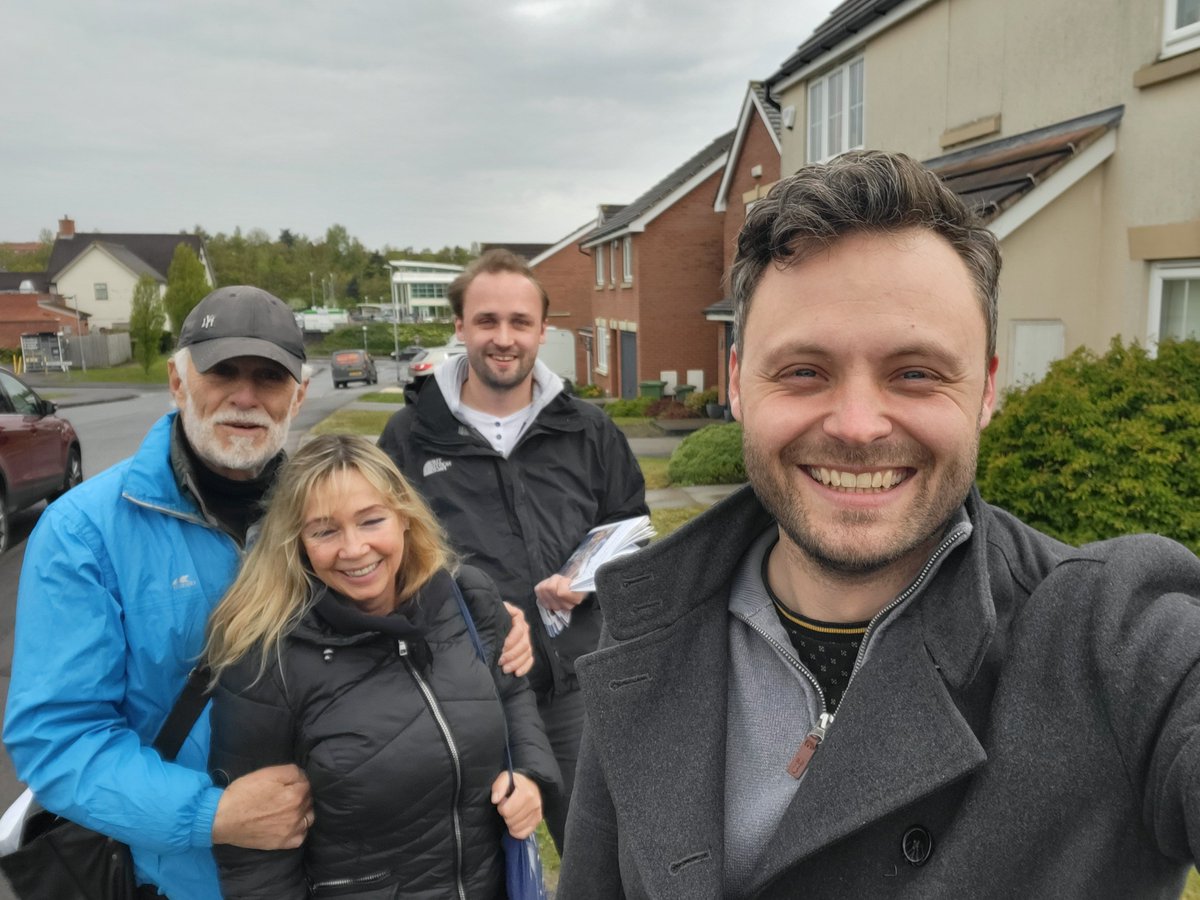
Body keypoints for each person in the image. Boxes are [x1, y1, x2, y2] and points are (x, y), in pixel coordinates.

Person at [557, 151, 1200, 899]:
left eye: (916, 373)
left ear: (987, 389)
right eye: (804, 371)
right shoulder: (645, 627)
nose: (858, 427)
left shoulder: (1113, 641)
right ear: (736, 382)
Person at [2, 284, 533, 899]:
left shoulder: (322, 509)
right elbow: (59, 737)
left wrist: (483, 621)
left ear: (299, 396)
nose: (245, 397)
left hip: (334, 870)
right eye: (222, 372)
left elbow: (409, 584)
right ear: (178, 383)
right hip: (176, 878)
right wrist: (210, 815)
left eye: (270, 379)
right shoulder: (85, 532)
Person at [205, 434, 560, 898]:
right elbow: (255, 857)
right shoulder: (266, 660)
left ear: (405, 519)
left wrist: (530, 775)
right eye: (325, 531)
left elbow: (511, 692)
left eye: (371, 521)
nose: (353, 549)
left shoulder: (466, 596)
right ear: (297, 544)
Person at [378, 248, 648, 851]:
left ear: (542, 330)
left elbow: (630, 526)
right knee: (472, 865)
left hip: (574, 690)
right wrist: (478, 613)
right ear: (460, 327)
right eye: (487, 321)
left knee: (606, 860)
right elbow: (387, 561)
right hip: (462, 694)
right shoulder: (409, 437)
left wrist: (589, 577)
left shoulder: (588, 430)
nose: (504, 338)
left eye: (520, 323)